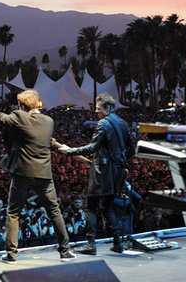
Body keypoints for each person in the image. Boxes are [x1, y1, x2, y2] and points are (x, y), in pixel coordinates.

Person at [0, 89, 76, 262]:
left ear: (21, 105)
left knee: (13, 213)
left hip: (23, 173)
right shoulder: (49, 121)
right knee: (54, 210)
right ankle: (65, 251)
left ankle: (11, 254)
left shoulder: (20, 117)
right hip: (44, 173)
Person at [58, 93, 134, 254]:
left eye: (98, 109)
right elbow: (132, 149)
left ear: (107, 108)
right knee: (108, 207)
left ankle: (91, 245)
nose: (96, 112)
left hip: (102, 172)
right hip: (117, 171)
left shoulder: (103, 124)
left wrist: (69, 151)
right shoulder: (123, 123)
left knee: (91, 206)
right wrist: (120, 162)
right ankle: (117, 243)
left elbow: (92, 147)